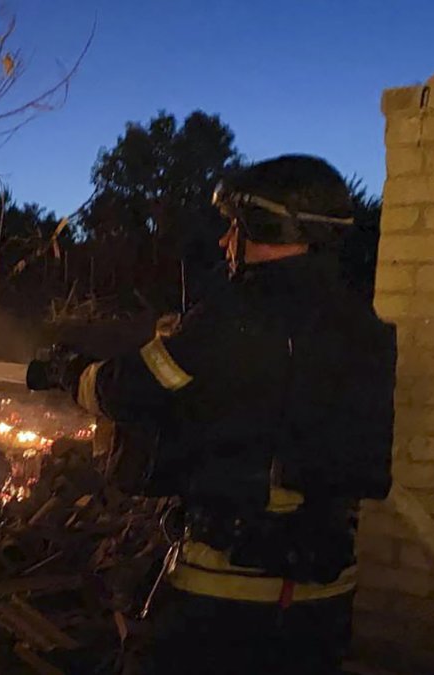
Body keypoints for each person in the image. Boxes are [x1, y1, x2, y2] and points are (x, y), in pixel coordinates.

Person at [27, 155, 396, 675]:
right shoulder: (361, 323)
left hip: (228, 592)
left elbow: (127, 390)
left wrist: (72, 372)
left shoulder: (235, 317)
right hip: (326, 592)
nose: (226, 242)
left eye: (233, 227)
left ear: (266, 226)